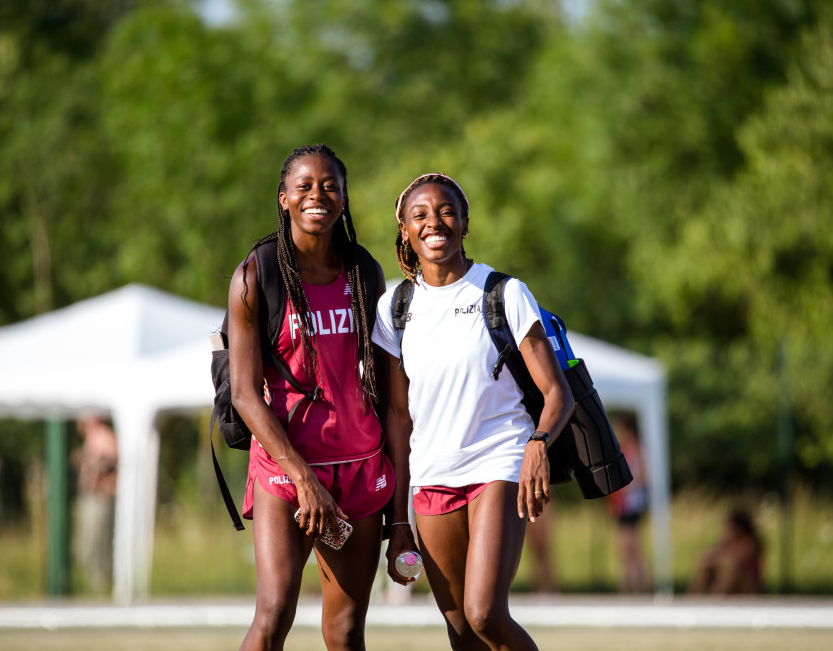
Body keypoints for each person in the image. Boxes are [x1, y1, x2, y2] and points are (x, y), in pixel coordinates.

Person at [373, 173, 574, 650]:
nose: (434, 222)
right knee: (461, 632)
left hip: (498, 462)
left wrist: (538, 443)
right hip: (431, 475)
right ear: (405, 229)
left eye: (446, 211)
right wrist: (398, 519)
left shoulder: (504, 292)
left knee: (484, 612)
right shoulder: (394, 307)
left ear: (465, 222)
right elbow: (398, 418)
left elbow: (558, 393)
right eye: (420, 215)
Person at [229, 144, 416, 651]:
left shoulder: (363, 271)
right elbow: (245, 395)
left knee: (346, 630)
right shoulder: (256, 275)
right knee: (273, 615)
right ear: (284, 198)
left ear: (344, 197)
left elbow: (391, 399)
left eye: (331, 185)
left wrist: (400, 515)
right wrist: (304, 480)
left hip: (359, 468)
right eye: (305, 186)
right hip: (287, 471)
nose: (318, 195)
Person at [72, 413, 118, 593]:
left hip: (100, 497)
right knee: (86, 544)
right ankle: (90, 584)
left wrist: (92, 464)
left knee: (97, 544)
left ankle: (98, 585)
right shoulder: (91, 437)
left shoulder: (103, 435)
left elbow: (111, 462)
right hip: (91, 497)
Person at [605, 413, 650, 593]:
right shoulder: (623, 448)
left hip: (631, 503)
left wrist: (627, 488)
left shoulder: (635, 448)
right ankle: (632, 587)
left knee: (629, 547)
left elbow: (643, 475)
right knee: (627, 549)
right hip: (623, 503)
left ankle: (635, 588)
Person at [688, 508, 764, 595]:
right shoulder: (728, 542)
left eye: (730, 527)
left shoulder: (750, 543)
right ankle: (693, 596)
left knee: (731, 568)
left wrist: (717, 560)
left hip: (747, 583)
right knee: (707, 569)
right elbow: (709, 555)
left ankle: (719, 595)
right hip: (730, 578)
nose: (727, 531)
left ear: (739, 528)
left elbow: (737, 560)